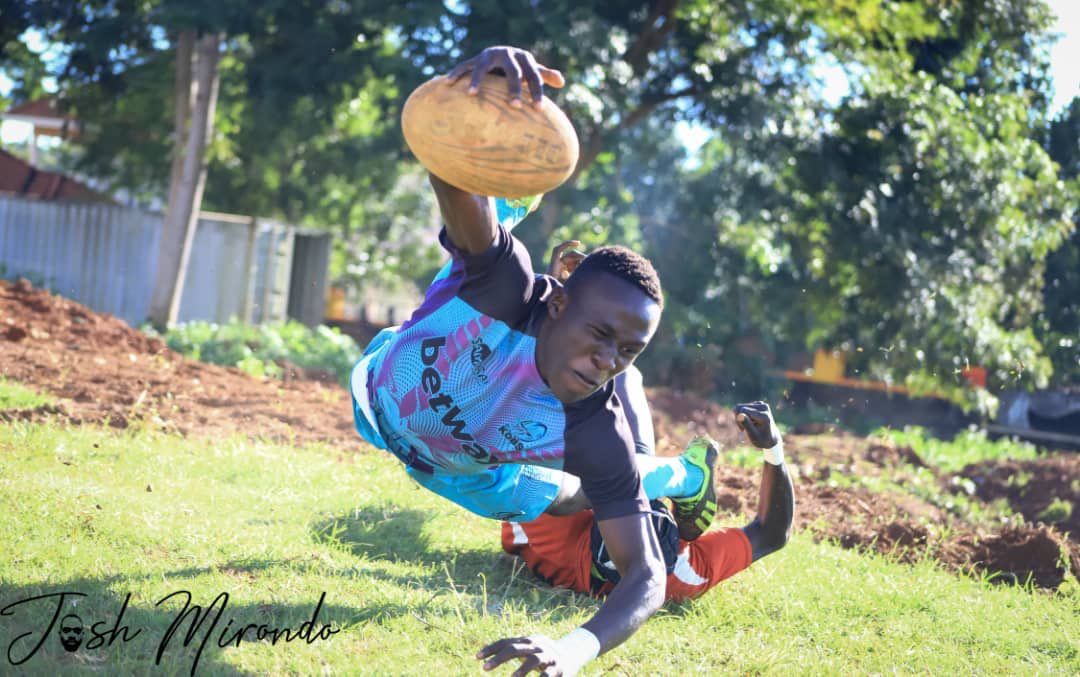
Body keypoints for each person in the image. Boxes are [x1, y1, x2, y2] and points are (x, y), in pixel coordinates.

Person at [349, 45, 720, 675]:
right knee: (486, 228)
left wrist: (571, 650)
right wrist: (477, 85)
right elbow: (450, 170)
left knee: (583, 496)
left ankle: (689, 477)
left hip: (468, 477)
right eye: (600, 335)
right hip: (380, 393)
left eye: (627, 353)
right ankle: (520, 193)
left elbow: (647, 576)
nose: (607, 362)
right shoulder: (506, 290)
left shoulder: (592, 426)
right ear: (559, 303)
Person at [501, 402, 795, 606]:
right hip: (591, 507)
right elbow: (772, 533)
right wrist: (773, 447)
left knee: (588, 469)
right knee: (621, 444)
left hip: (541, 500)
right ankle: (676, 480)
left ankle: (678, 478)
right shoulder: (678, 574)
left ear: (596, 520)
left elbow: (522, 449)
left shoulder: (558, 531)